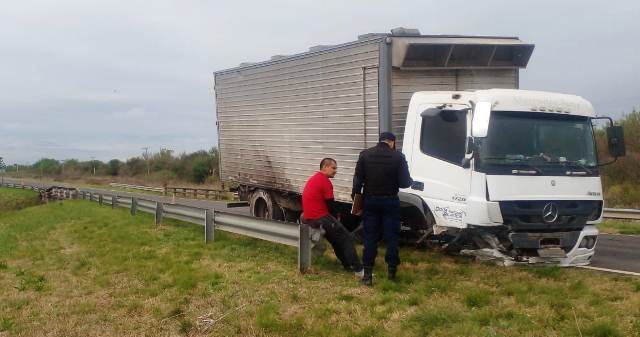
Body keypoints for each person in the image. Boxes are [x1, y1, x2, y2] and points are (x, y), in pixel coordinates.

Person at [352, 132, 413, 286]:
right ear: (392, 142)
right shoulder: (398, 157)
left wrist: (356, 201)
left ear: (380, 141)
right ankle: (391, 274)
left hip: (370, 200)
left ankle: (367, 277)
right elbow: (405, 183)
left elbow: (357, 181)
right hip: (390, 201)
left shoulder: (365, 155)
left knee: (370, 237)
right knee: (392, 236)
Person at [302, 158, 364, 275]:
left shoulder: (315, 178)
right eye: (333, 168)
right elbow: (331, 205)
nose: (336, 171)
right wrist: (337, 219)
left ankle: (347, 265)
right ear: (325, 167)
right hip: (320, 216)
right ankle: (359, 270)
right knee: (347, 239)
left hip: (311, 217)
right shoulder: (325, 181)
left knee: (336, 240)